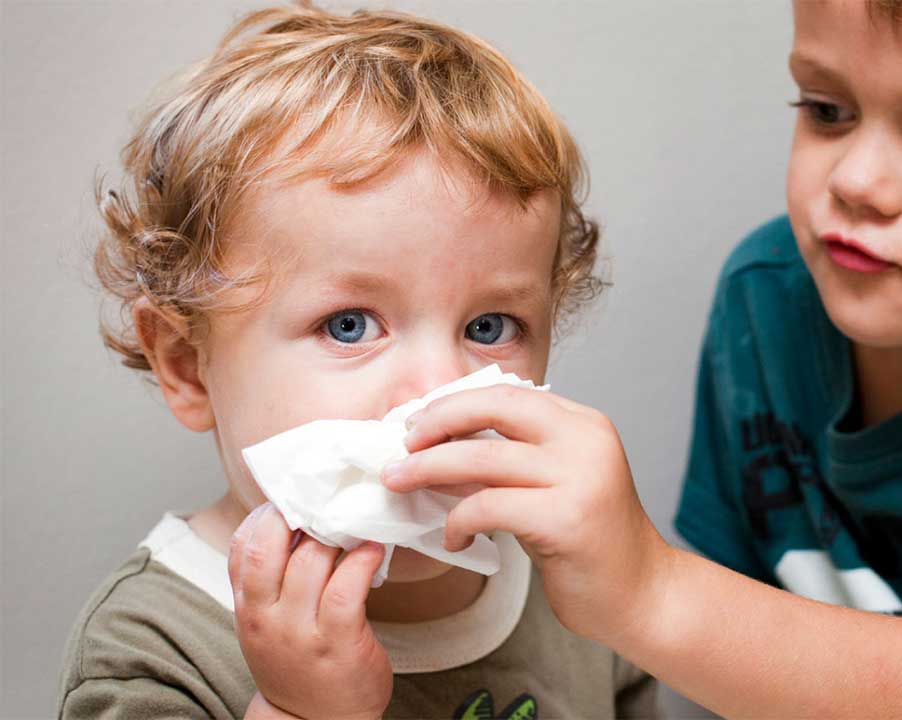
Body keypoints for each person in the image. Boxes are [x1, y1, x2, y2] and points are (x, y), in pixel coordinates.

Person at [384, 0, 902, 715]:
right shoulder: (770, 301)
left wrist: (650, 590)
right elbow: (731, 668)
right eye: (826, 109)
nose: (855, 181)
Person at [58, 3, 659, 718]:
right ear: (188, 366)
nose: (439, 391)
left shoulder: (576, 586)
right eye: (349, 326)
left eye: (490, 325)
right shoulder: (155, 647)